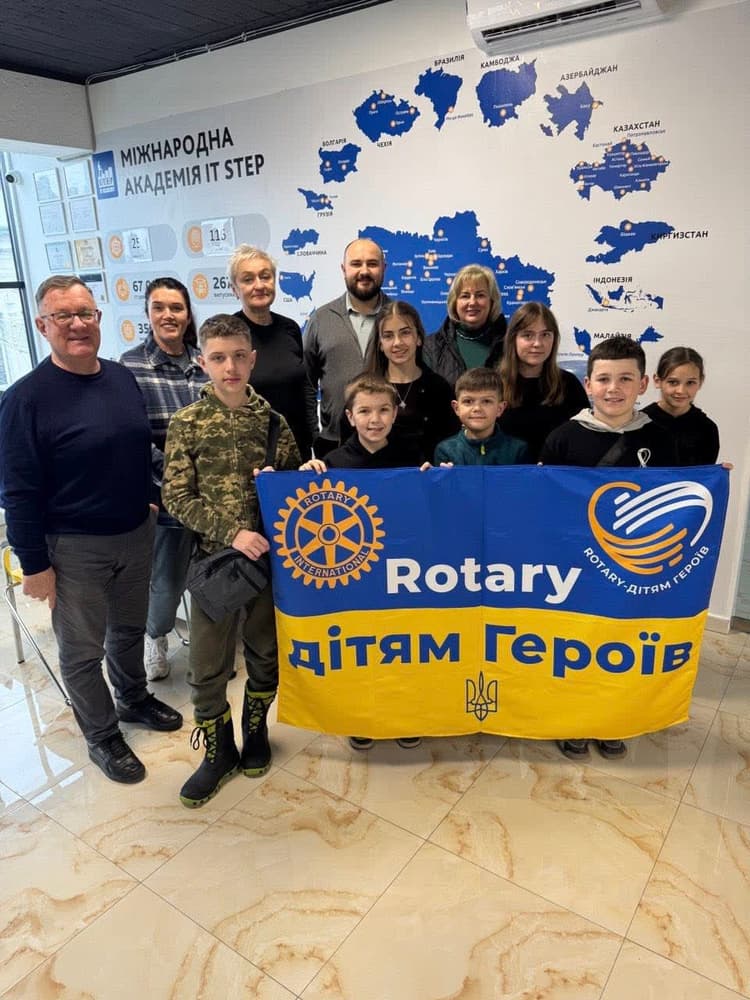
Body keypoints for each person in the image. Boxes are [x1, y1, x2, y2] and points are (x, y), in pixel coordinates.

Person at [0, 276, 182, 784]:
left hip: (135, 532)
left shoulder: (121, 377)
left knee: (128, 630)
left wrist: (148, 497)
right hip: (73, 547)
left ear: (98, 318)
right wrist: (34, 565)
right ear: (42, 326)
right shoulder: (24, 400)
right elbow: (17, 492)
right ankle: (102, 735)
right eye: (63, 316)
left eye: (86, 314)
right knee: (82, 652)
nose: (77, 325)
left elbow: (136, 447)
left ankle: (133, 698)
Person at [162, 313, 301, 808]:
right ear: (203, 362)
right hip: (214, 565)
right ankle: (218, 752)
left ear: (253, 359)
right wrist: (231, 533)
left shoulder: (273, 423)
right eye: (219, 358)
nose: (231, 367)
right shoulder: (187, 423)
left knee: (265, 653)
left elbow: (293, 493)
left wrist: (303, 476)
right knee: (206, 665)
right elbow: (176, 496)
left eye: (239, 356)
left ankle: (255, 731)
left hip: (266, 564)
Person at [539, 335, 678, 762]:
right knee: (574, 646)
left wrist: (714, 478)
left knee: (621, 645)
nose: (613, 388)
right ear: (588, 385)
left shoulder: (663, 440)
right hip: (575, 566)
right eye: (603, 379)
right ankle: (573, 721)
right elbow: (544, 502)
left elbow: (678, 499)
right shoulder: (563, 438)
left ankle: (612, 721)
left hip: (629, 570)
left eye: (625, 379)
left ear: (643, 384)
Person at [301, 373, 422, 751]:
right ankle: (362, 716)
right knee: (362, 649)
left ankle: (404, 714)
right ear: (351, 417)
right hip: (356, 577)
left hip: (403, 574)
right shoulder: (332, 463)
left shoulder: (412, 458)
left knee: (403, 647)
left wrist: (437, 482)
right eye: (365, 411)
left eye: (384, 410)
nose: (375, 419)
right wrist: (302, 479)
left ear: (395, 414)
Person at [120, 277, 209, 680]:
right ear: (148, 313)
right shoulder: (130, 366)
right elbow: (135, 437)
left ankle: (210, 645)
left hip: (212, 496)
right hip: (169, 495)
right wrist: (177, 478)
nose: (168, 315)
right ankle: (154, 638)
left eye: (176, 307)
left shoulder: (205, 362)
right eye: (159, 307)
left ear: (188, 314)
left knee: (210, 575)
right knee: (167, 583)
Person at [303, 238, 390, 456]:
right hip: (333, 443)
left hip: (388, 444)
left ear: (384, 268)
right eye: (356, 264)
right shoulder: (321, 319)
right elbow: (307, 384)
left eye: (372, 264)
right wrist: (314, 435)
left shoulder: (398, 318)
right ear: (343, 269)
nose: (364, 271)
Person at [229, 244, 313, 460]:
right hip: (251, 452)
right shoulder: (228, 334)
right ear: (234, 289)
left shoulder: (290, 328)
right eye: (248, 279)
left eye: (265, 277)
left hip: (297, 448)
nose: (259, 285)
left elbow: (303, 387)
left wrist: (313, 436)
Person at [362, 300, 458, 461]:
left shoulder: (439, 389)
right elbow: (350, 449)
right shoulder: (364, 390)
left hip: (429, 474)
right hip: (377, 475)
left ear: (418, 338)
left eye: (405, 333)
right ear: (380, 344)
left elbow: (452, 445)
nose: (397, 343)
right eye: (388, 336)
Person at [497, 302, 590, 460]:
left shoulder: (568, 384)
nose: (537, 343)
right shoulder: (493, 384)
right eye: (528, 335)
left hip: (556, 473)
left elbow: (583, 439)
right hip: (505, 474)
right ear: (513, 339)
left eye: (545, 335)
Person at [423, 264, 506, 389]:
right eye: (465, 296)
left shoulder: (509, 343)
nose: (472, 302)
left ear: (492, 301)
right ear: (454, 302)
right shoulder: (431, 347)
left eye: (480, 295)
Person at [642, 347, 720, 465]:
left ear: (700, 382)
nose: (681, 391)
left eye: (690, 383)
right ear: (657, 381)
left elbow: (704, 474)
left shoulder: (707, 429)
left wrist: (718, 472)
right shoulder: (638, 424)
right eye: (673, 382)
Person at [434, 368, 529, 465]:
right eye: (468, 401)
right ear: (456, 408)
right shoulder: (445, 450)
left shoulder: (518, 450)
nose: (477, 408)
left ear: (500, 409)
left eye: (486, 401)